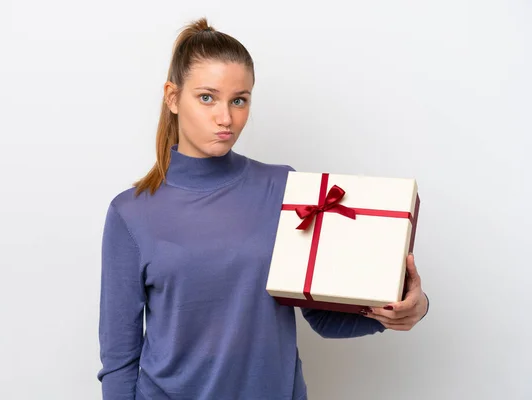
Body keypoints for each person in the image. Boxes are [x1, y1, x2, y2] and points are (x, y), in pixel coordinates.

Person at [97, 17, 429, 400]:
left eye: (239, 100)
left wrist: (406, 308)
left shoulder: (284, 188)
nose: (226, 117)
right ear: (173, 97)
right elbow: (120, 360)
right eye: (207, 97)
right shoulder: (131, 213)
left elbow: (321, 315)